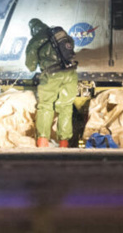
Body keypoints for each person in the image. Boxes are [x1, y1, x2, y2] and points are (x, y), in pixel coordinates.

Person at [24, 18, 78, 148]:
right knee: (66, 107)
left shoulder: (36, 40)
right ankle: (64, 143)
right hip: (70, 74)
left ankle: (42, 141)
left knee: (46, 106)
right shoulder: (61, 35)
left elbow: (30, 66)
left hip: (51, 76)